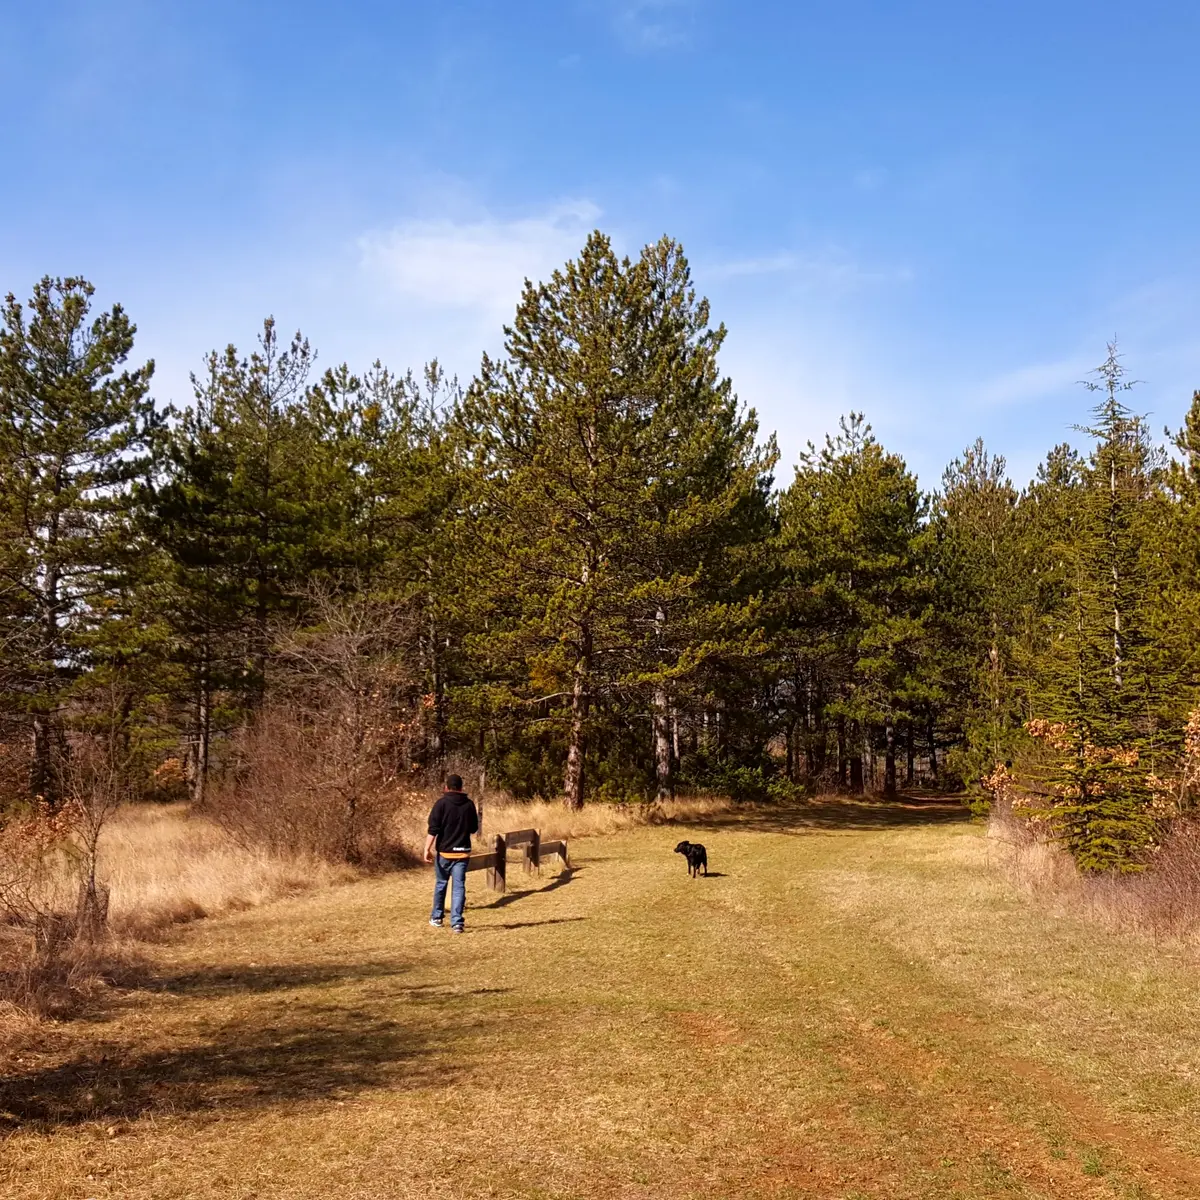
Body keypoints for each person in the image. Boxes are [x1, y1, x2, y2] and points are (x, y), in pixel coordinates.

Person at [424, 774, 479, 933]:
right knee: (459, 887)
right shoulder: (469, 805)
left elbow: (433, 830)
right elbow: (474, 828)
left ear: (446, 787)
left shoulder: (441, 804)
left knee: (441, 884)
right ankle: (457, 923)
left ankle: (437, 917)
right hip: (462, 853)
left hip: (444, 853)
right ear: (461, 788)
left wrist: (427, 849)